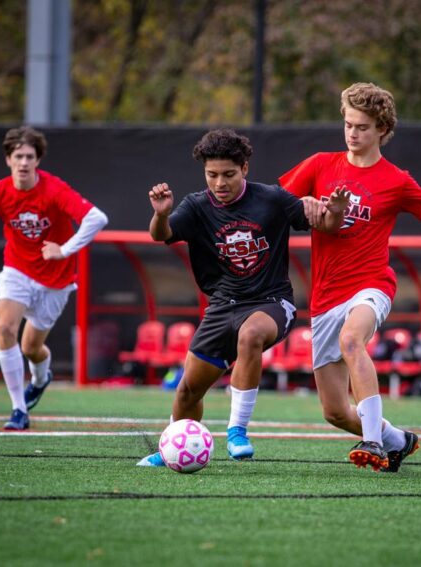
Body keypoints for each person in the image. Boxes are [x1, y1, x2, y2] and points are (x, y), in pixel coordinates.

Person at [280, 82, 421, 472]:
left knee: (352, 339)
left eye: (364, 127)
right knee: (335, 412)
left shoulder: (397, 181)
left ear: (383, 131)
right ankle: (397, 440)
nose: (353, 133)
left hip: (372, 285)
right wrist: (299, 204)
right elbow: (275, 201)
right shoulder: (320, 164)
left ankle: (373, 441)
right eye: (349, 125)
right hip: (325, 296)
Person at [137, 129, 349, 467]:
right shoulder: (195, 206)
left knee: (250, 335)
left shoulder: (273, 199)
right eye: (212, 175)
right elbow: (161, 235)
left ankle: (237, 431)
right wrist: (161, 213)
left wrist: (334, 210)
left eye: (228, 174)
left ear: (245, 169)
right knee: (188, 391)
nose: (220, 182)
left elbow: (326, 224)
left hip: (272, 302)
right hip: (222, 307)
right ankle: (172, 448)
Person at [0, 126, 109, 430]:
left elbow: (96, 218)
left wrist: (64, 249)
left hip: (56, 280)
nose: (23, 162)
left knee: (31, 348)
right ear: (8, 160)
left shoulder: (54, 189)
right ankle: (19, 409)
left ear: (38, 160)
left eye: (29, 156)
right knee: (5, 329)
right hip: (17, 271)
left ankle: (40, 378)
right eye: (17, 156)